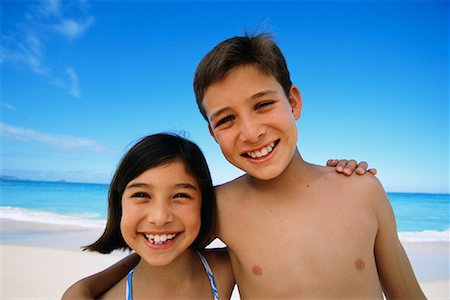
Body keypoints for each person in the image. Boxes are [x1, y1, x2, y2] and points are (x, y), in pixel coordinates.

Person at [64, 33, 423, 299]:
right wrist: (84, 289)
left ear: (293, 102)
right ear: (213, 132)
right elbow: (160, 248)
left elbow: (406, 293)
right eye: (226, 119)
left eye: (263, 104)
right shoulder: (220, 207)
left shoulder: (361, 189)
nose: (251, 132)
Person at [64, 133, 235, 299]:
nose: (159, 218)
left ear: (203, 204)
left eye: (180, 196)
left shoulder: (229, 267)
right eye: (141, 195)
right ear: (119, 203)